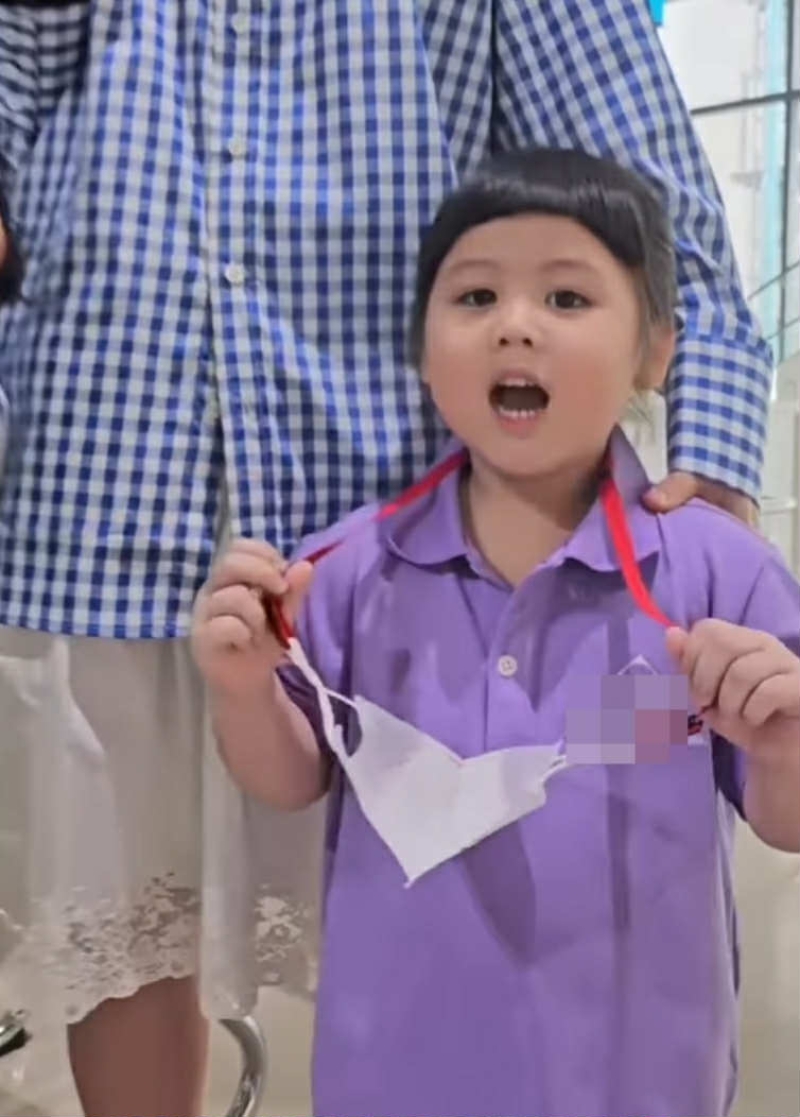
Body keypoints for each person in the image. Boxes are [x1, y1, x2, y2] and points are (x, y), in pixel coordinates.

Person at [0, 2, 774, 1114]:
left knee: (487, 887)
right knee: (122, 930)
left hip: (396, 518)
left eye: (558, 303)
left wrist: (707, 471)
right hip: (97, 487)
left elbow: (649, 203)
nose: (524, 321)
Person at [191, 149, 800, 1117]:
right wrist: (241, 686)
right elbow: (292, 779)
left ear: (654, 352)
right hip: (392, 1077)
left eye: (566, 298)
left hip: (636, 1082)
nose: (515, 324)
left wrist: (781, 741)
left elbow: (785, 818)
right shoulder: (346, 572)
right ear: (422, 347)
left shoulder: (715, 574)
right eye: (475, 297)